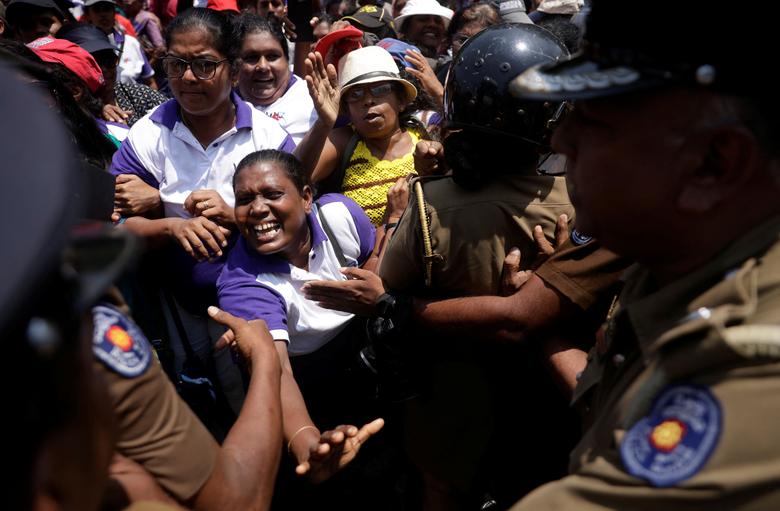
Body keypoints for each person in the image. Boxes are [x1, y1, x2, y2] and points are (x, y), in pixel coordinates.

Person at [506, 0, 780, 508]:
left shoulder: (759, 360)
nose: (562, 138)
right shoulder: (677, 255)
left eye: (591, 118)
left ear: (712, 165)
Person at [305, 23, 576, 509]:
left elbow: (385, 281)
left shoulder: (431, 203)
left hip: (448, 397)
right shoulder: (579, 201)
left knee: (442, 488)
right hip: (548, 399)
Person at [110, 7, 294, 417]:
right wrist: (171, 225)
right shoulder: (149, 134)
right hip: (178, 310)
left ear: (231, 69)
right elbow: (118, 224)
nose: (189, 78)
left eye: (205, 65)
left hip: (260, 305)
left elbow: (299, 227)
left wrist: (235, 215)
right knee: (200, 404)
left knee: (264, 400)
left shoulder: (266, 138)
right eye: (177, 64)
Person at [216, 149, 389, 508]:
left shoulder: (340, 215)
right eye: (244, 199)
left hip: (375, 372)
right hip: (312, 390)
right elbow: (276, 370)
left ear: (307, 198)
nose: (257, 209)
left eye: (272, 194)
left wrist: (380, 296)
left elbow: (383, 259)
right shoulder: (244, 283)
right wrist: (307, 442)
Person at [296, 45, 429, 226]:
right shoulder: (343, 141)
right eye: (356, 94)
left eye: (380, 90)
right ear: (347, 109)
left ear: (401, 100)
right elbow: (291, 178)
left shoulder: (424, 137)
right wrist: (323, 123)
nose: (368, 100)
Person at [58, 23, 167, 126]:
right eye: (93, 63)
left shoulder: (138, 94)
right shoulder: (63, 110)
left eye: (109, 61)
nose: (104, 70)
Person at [236, 13, 317, 145]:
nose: (263, 67)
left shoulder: (314, 100)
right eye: (251, 57)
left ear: (287, 60)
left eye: (272, 56)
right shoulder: (221, 103)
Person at [82, 0, 156, 87]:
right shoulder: (84, 49)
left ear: (114, 12)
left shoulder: (131, 43)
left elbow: (150, 81)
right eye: (97, 10)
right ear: (88, 15)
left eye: (107, 8)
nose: (103, 14)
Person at [393, 0, 452, 65]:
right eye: (423, 19)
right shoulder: (393, 56)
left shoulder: (449, 66)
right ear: (406, 26)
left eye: (438, 21)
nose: (432, 24)